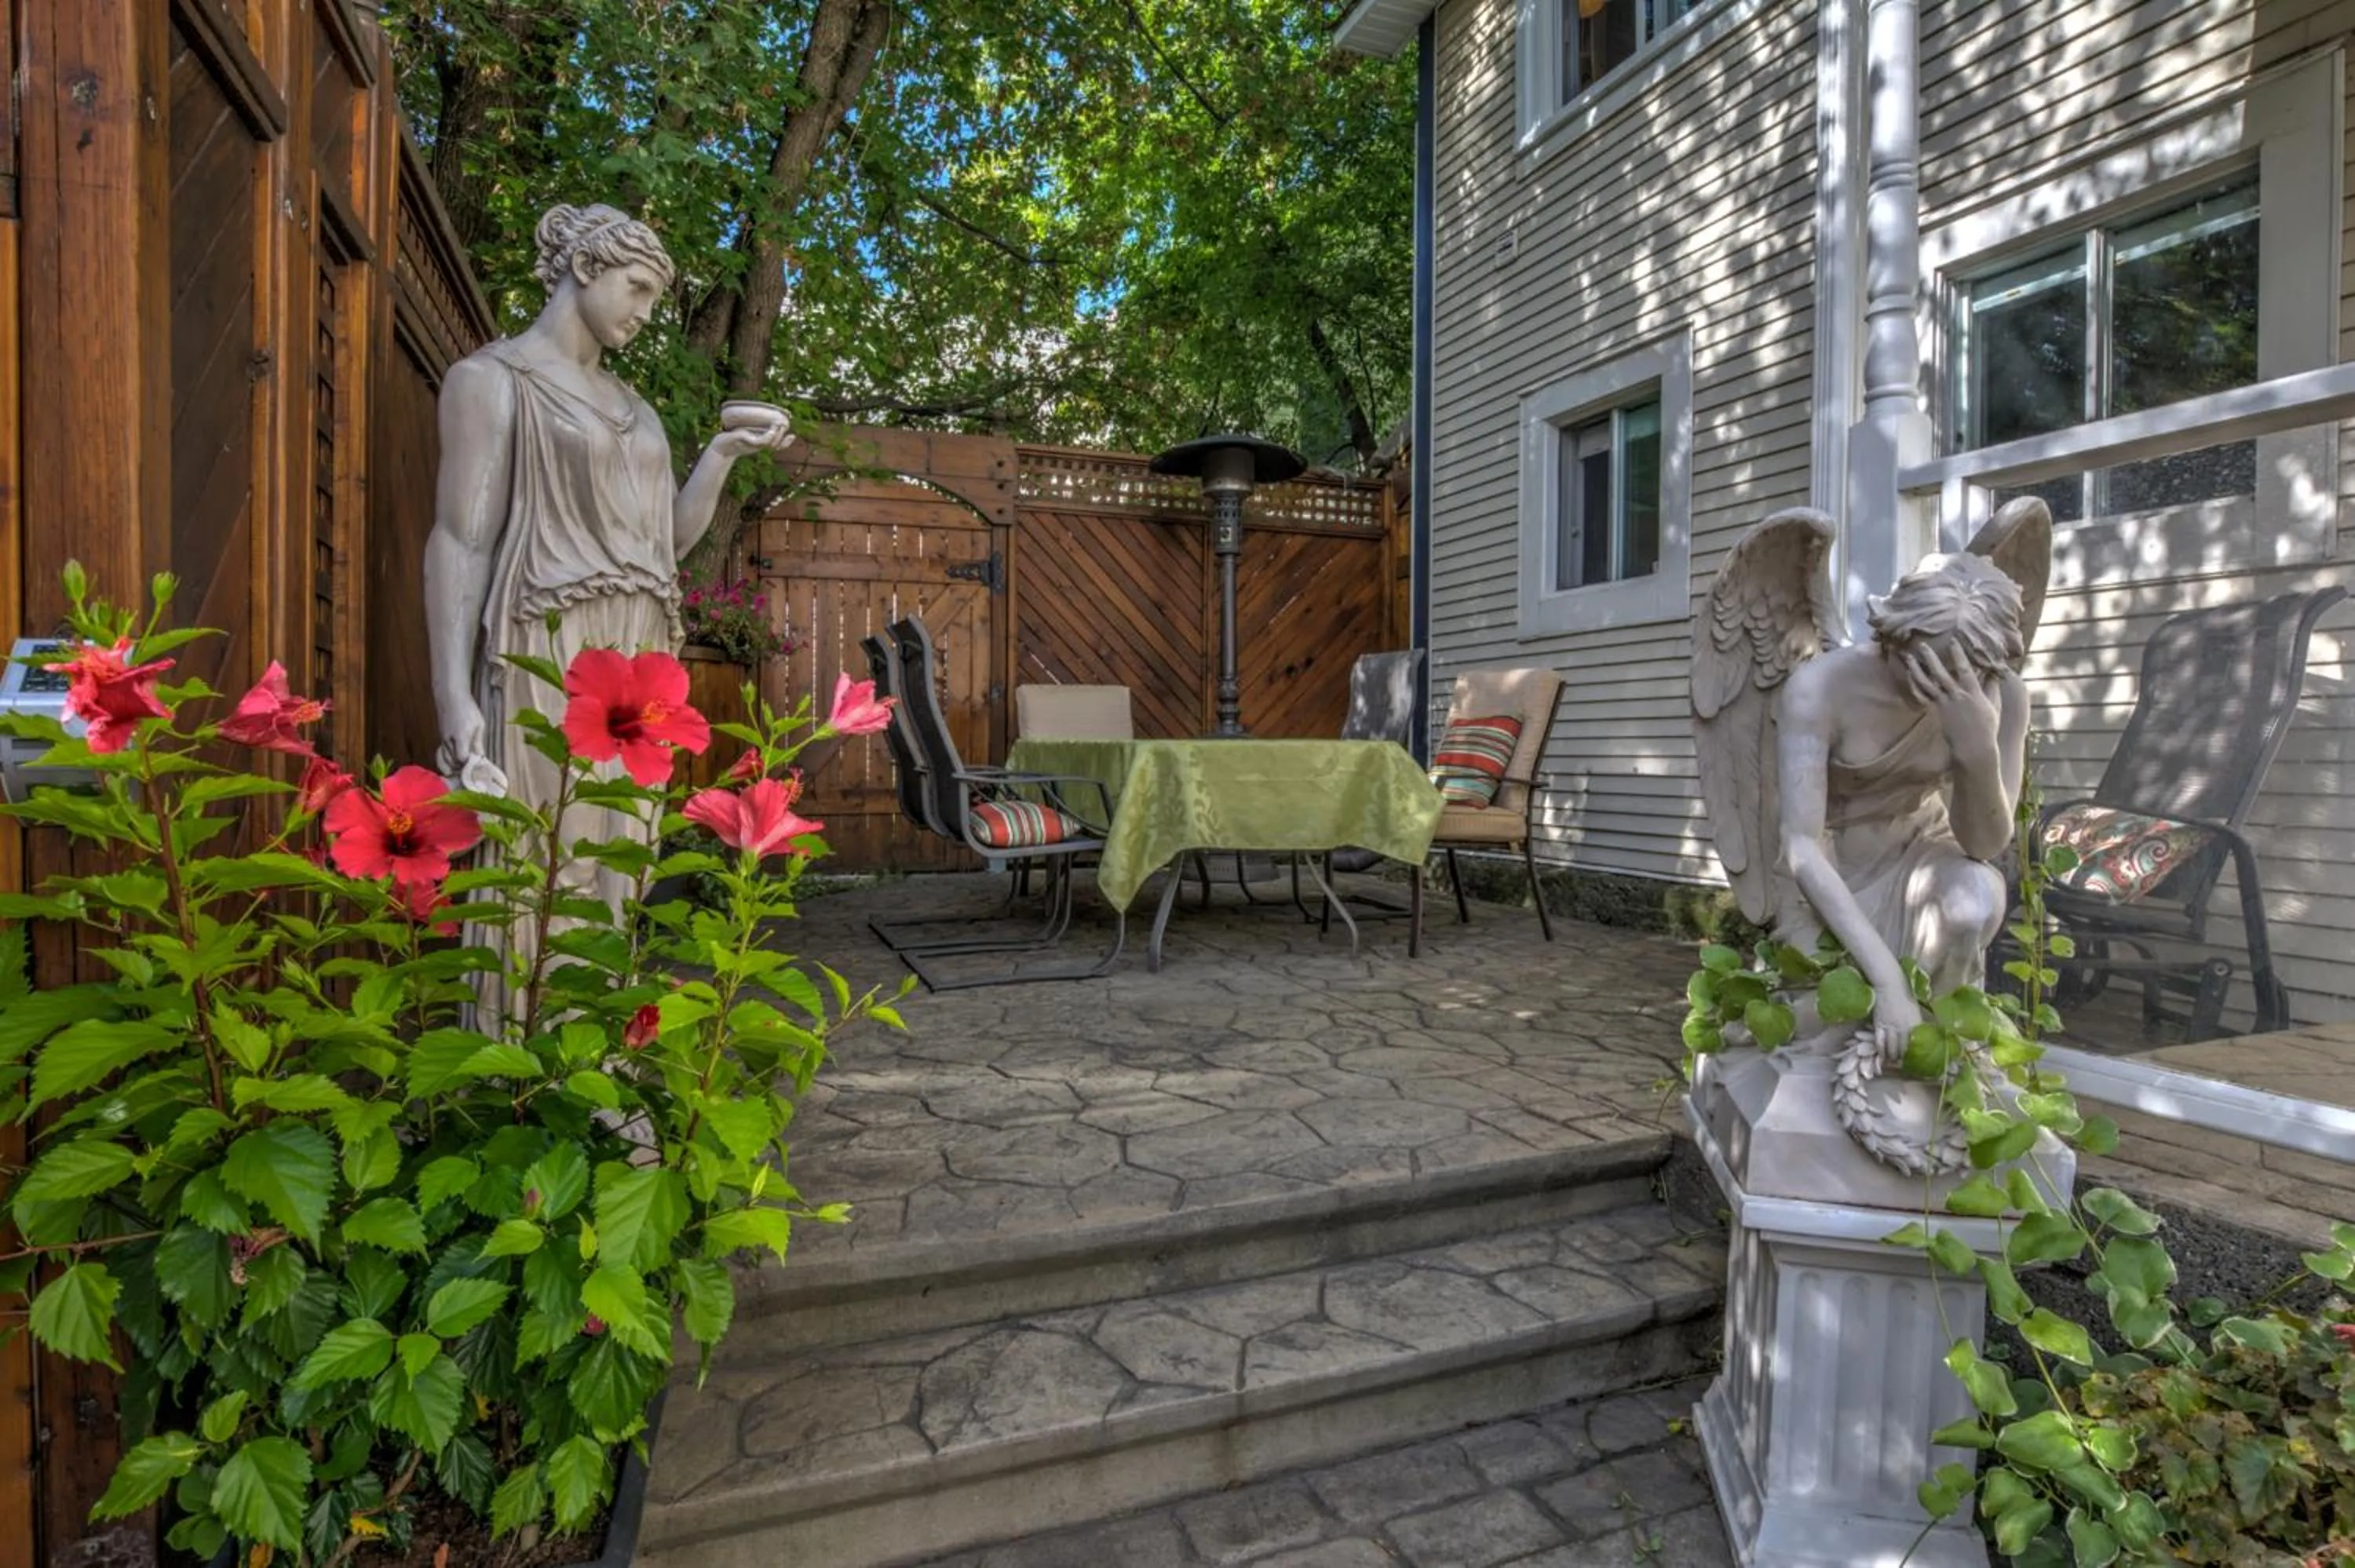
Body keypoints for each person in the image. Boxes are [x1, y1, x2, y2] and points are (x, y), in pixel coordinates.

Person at [423, 202, 791, 1014]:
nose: (643, 314)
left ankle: (596, 1050)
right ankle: (516, 1053)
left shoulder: (636, 406)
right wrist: (453, 695)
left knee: (623, 851)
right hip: (548, 640)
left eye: (655, 300)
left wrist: (724, 453)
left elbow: (667, 537)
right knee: (543, 846)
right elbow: (460, 541)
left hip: (640, 644)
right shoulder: (490, 381)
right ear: (584, 268)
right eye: (636, 290)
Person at [1774, 552, 2032, 1050]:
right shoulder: (1819, 689)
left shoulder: (2002, 696)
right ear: (1890, 637)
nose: (1931, 686)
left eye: (1956, 673)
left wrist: (1976, 750)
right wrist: (1888, 980)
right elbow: (1800, 848)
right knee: (1822, 1020)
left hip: (1924, 854)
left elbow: (1984, 845)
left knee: (1972, 900)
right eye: (1919, 664)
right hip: (1831, 873)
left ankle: (1942, 1053)